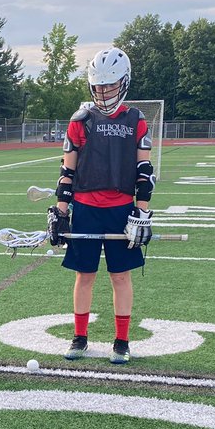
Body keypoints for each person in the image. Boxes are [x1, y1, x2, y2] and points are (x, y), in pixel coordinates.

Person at [47, 47, 154, 365]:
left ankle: (121, 341)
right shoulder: (80, 120)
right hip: (86, 207)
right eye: (98, 86)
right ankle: (80, 336)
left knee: (120, 276)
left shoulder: (136, 120)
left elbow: (144, 172)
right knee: (85, 275)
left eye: (109, 85)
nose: (103, 92)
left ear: (123, 82)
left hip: (121, 209)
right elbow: (67, 172)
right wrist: (61, 212)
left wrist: (142, 211)